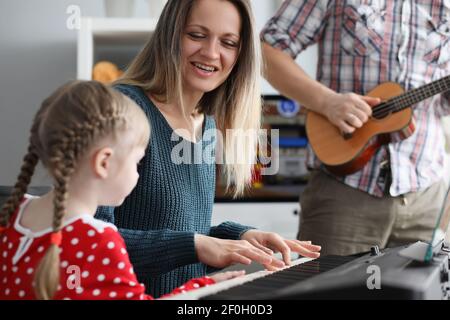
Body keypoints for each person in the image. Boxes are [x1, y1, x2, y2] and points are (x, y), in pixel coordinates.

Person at [95, 0, 321, 298]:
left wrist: (239, 236)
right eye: (197, 35)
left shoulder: (206, 124)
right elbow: (91, 239)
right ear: (170, 35)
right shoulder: (122, 108)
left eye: (228, 42)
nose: (212, 53)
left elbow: (174, 226)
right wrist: (198, 245)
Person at [0, 81, 246, 300]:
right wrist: (203, 287)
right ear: (104, 163)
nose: (139, 173)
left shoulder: (14, 213)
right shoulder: (98, 239)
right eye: (138, 161)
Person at [261, 0, 450, 256]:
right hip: (343, 189)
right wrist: (328, 102)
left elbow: (440, 106)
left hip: (427, 198)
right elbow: (266, 51)